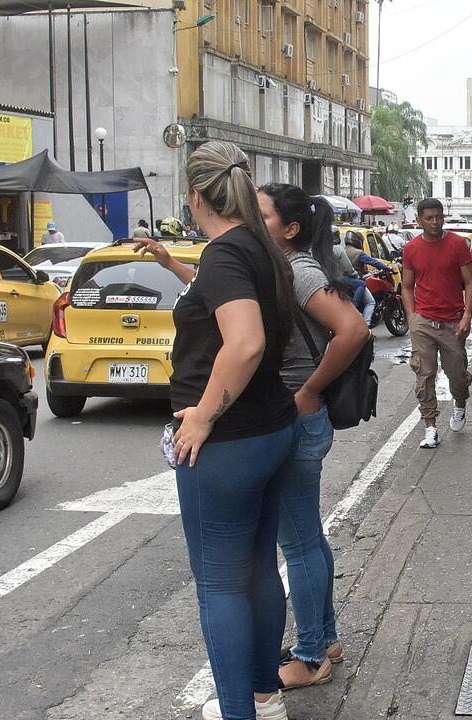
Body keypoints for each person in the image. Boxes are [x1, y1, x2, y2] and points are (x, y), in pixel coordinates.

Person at [149, 141, 300, 720]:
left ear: (194, 196)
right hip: (270, 427)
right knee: (257, 567)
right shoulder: (260, 248)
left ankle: (241, 711)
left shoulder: (226, 253)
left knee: (219, 584)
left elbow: (246, 343)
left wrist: (203, 415)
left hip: (229, 440)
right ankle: (263, 695)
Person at [257, 184, 370, 690]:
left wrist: (308, 389)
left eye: (262, 215)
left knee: (298, 544)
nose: (252, 221)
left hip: (297, 417)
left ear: (290, 228)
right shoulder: (288, 266)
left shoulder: (297, 271)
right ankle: (325, 639)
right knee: (307, 537)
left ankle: (309, 657)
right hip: (301, 418)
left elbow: (353, 330)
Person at [401, 198, 472, 449]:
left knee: (457, 375)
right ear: (419, 220)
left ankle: (460, 404)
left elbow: (470, 282)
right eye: (429, 218)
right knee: (424, 374)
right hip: (423, 322)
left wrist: (466, 316)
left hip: (453, 322)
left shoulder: (457, 244)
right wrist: (412, 317)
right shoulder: (411, 248)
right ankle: (430, 427)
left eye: (439, 216)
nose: (435, 222)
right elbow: (407, 287)